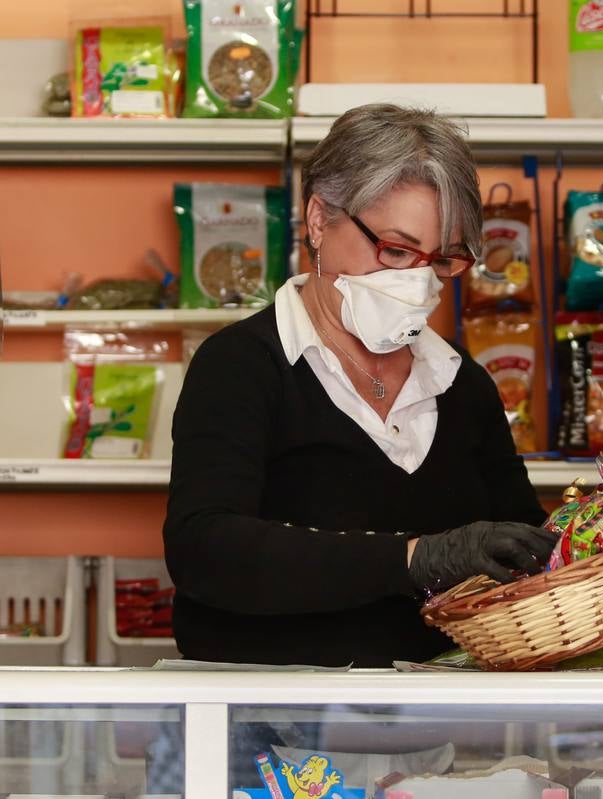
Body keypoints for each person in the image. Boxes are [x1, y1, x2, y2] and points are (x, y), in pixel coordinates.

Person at [163, 104, 556, 667]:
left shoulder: (463, 385)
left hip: (439, 734)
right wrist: (413, 560)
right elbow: (206, 552)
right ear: (320, 220)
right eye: (395, 251)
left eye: (442, 260)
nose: (417, 282)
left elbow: (522, 552)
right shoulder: (241, 365)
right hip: (269, 732)